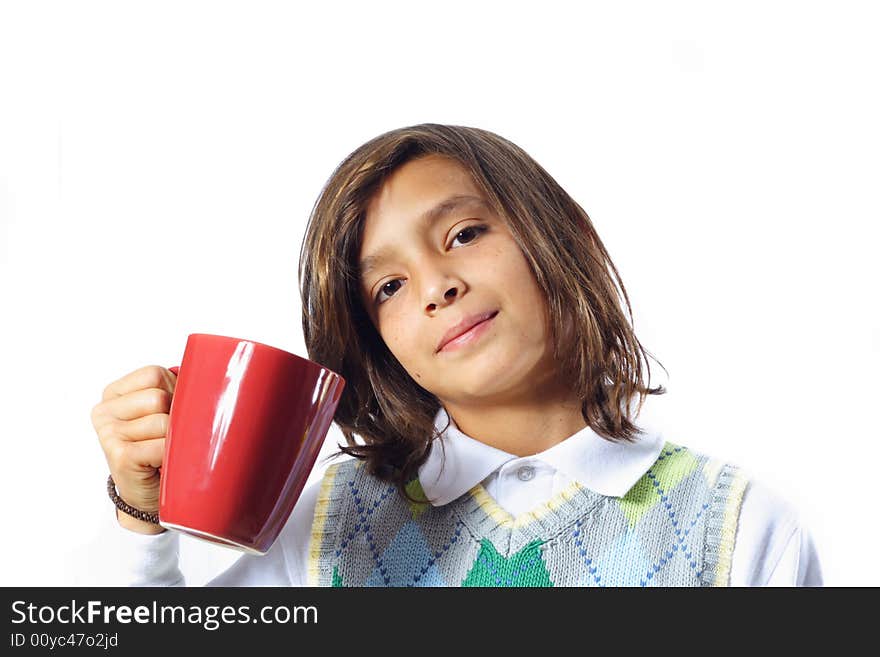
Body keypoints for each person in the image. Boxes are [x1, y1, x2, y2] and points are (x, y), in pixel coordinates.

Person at [90, 123, 823, 586]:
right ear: (377, 344)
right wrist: (141, 520)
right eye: (389, 285)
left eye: (465, 233)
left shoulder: (740, 527)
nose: (437, 286)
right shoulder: (326, 530)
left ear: (563, 234)